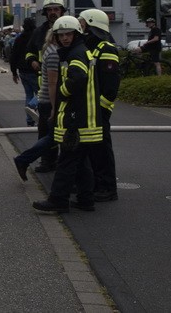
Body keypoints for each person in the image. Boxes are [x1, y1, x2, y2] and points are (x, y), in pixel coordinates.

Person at [32, 17, 105, 214]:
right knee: (80, 162)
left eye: (68, 34)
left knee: (67, 160)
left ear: (76, 34)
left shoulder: (76, 54)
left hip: (77, 119)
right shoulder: (78, 51)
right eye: (61, 35)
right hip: (84, 118)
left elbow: (79, 77)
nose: (65, 38)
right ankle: (85, 200)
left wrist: (62, 91)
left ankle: (58, 200)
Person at [80, 9, 122, 201]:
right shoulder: (91, 47)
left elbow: (111, 87)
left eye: (82, 23)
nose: (80, 26)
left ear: (91, 24)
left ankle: (107, 188)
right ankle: (96, 184)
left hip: (99, 111)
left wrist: (102, 108)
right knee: (93, 150)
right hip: (91, 110)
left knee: (102, 149)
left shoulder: (106, 49)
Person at [24, 0, 66, 173]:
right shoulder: (39, 32)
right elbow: (28, 52)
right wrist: (32, 60)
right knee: (44, 129)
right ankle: (47, 161)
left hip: (65, 88)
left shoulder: (68, 28)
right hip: (45, 89)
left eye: (56, 9)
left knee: (64, 131)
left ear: (62, 11)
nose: (53, 13)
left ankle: (65, 163)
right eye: (49, 10)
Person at [13, 28, 59, 180]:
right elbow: (53, 83)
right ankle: (24, 159)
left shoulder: (49, 49)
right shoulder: (54, 53)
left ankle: (27, 160)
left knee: (51, 136)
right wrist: (54, 107)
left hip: (45, 99)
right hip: (49, 101)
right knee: (53, 137)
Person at [10, 18, 38, 125]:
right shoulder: (36, 37)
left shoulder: (19, 38)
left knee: (28, 94)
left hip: (22, 71)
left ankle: (29, 120)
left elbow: (13, 56)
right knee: (41, 93)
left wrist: (13, 72)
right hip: (34, 70)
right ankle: (32, 106)